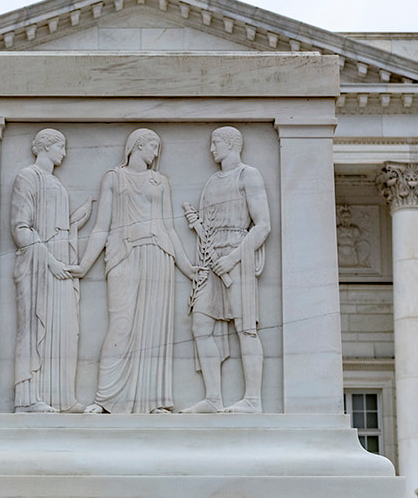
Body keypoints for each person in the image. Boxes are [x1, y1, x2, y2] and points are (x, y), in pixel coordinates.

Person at [72, 128, 195, 414]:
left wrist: (187, 267)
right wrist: (83, 264)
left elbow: (169, 227)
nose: (156, 153)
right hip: (123, 253)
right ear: (138, 145)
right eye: (153, 146)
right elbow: (101, 226)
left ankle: (154, 401)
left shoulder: (160, 181)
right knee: (121, 324)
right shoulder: (114, 178)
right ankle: (105, 398)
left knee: (154, 330)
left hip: (158, 254)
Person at [180, 127, 271, 414]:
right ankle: (214, 398)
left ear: (232, 144)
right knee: (200, 325)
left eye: (215, 143)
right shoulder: (211, 181)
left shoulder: (248, 175)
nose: (211, 149)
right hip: (211, 259)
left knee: (246, 329)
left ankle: (253, 400)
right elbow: (207, 226)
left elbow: (263, 225)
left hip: (237, 256)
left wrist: (232, 259)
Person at [11, 129, 90, 413]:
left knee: (66, 329)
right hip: (37, 265)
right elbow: (21, 228)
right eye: (61, 146)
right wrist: (50, 261)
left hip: (58, 262)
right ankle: (28, 399)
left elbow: (57, 228)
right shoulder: (28, 176)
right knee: (34, 329)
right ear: (45, 147)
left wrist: (75, 225)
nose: (65, 153)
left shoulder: (54, 181)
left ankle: (61, 398)